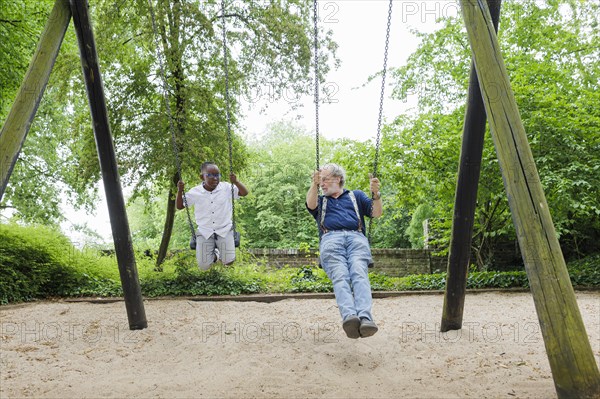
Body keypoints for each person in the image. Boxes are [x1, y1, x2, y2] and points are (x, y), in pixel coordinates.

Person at [306, 163, 382, 339]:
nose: (323, 184)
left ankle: (365, 318)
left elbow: (376, 213)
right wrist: (314, 184)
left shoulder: (356, 196)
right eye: (321, 181)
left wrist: (376, 195)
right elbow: (310, 205)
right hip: (331, 239)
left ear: (338, 179)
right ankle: (350, 317)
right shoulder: (321, 200)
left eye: (325, 179)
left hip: (356, 238)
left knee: (358, 273)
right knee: (340, 275)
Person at [177, 162, 248, 270]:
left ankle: (219, 253)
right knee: (204, 266)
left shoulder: (226, 187)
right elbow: (180, 206)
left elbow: (244, 193)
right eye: (210, 175)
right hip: (205, 231)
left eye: (217, 175)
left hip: (224, 229)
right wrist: (180, 191)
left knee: (229, 261)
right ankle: (215, 255)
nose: (215, 178)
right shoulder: (195, 192)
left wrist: (236, 182)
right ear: (202, 177)